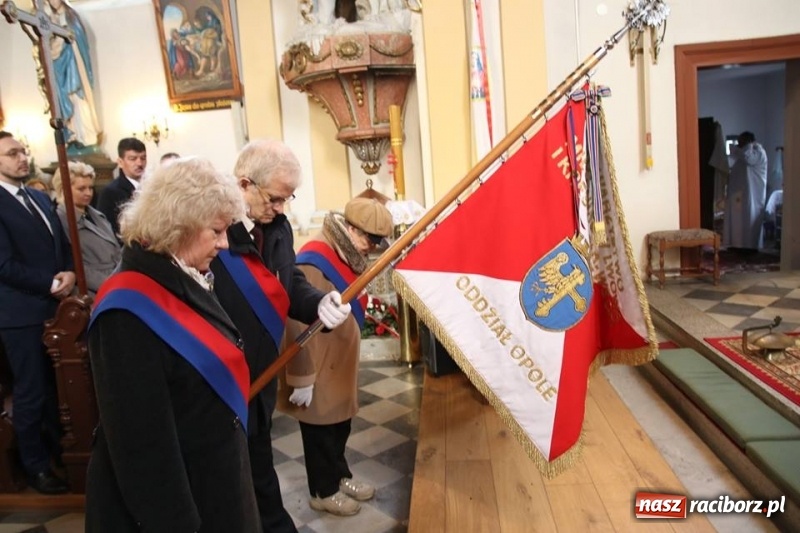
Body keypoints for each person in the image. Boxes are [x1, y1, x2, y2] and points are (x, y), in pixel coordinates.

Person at [86, 157, 261, 531]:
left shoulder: (180, 273)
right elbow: (143, 448)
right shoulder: (126, 309)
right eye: (216, 231)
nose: (225, 243)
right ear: (177, 225)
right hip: (185, 502)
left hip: (213, 478)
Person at [209, 139, 352, 531]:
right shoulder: (212, 230)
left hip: (262, 371)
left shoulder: (278, 227)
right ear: (244, 185)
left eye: (288, 198)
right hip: (222, 375)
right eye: (275, 198)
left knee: (256, 456)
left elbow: (286, 282)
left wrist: (317, 303)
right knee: (230, 469)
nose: (281, 208)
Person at [277, 197, 393, 516]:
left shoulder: (345, 252)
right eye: (370, 239)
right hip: (318, 365)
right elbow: (296, 322)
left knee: (338, 427)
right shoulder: (313, 261)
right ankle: (322, 491)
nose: (372, 247)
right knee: (320, 431)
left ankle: (339, 477)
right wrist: (302, 377)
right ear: (351, 229)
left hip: (337, 362)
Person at [0, 131, 76, 494]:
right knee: (31, 391)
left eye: (23, 151)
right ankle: (36, 466)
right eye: (12, 153)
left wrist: (70, 271)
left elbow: (60, 243)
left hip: (56, 307)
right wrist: (49, 282)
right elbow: (3, 264)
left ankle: (64, 454)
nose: (22, 157)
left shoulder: (37, 197)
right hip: (20, 314)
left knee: (59, 388)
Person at [51, 160, 121, 297]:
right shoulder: (61, 219)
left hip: (117, 277)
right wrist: (111, 284)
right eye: (81, 189)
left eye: (90, 188)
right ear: (64, 189)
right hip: (93, 289)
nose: (88, 193)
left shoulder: (96, 215)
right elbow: (76, 264)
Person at [44, 0, 101, 149]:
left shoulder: (72, 15)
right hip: (58, 64)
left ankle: (85, 137)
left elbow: (78, 36)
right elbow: (45, 42)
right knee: (63, 99)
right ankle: (71, 134)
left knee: (78, 97)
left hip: (73, 60)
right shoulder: (48, 18)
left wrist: (66, 34)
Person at [722, 131, 768, 252]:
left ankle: (748, 247)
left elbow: (749, 159)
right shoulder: (745, 154)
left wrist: (745, 147)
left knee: (748, 219)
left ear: (748, 141)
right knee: (737, 220)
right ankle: (736, 245)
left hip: (752, 195)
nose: (739, 144)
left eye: (741, 142)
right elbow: (736, 156)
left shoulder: (758, 152)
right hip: (740, 195)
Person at [97, 137, 147, 238]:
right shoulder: (110, 192)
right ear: (120, 162)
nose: (139, 163)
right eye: (133, 159)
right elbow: (107, 230)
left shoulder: (151, 187)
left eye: (143, 158)